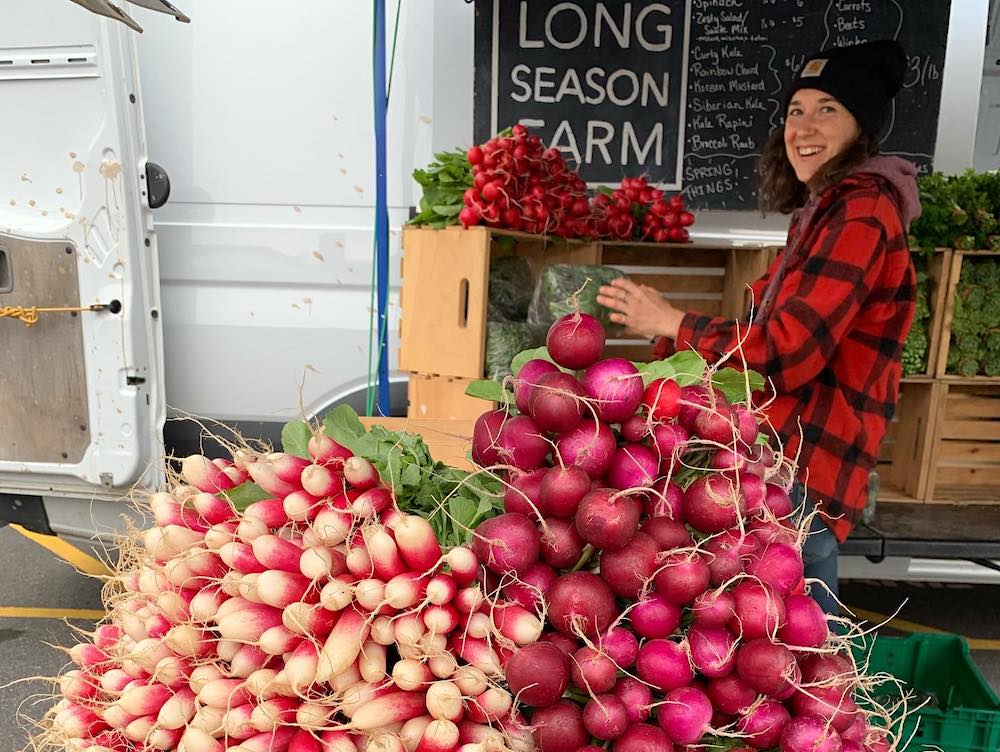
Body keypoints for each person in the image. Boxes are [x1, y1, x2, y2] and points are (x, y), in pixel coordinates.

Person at [597, 40, 921, 615]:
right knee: (785, 640)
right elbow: (764, 323)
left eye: (828, 110)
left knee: (798, 639)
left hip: (805, 461)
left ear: (861, 129)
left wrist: (674, 320)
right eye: (796, 111)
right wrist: (675, 344)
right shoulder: (824, 211)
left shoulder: (862, 212)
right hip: (783, 453)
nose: (804, 127)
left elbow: (789, 353)